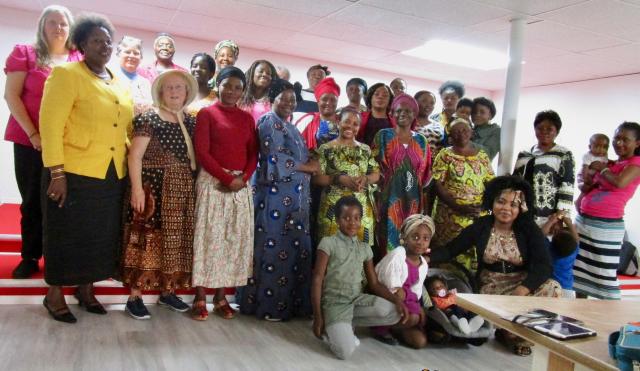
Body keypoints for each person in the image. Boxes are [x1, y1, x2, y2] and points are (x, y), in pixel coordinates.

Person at [39, 14, 134, 323]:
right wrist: (57, 173)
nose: (104, 46)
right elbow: (50, 126)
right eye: (97, 40)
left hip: (110, 174)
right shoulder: (66, 74)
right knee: (65, 233)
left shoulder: (118, 81)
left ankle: (85, 289)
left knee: (98, 236)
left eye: (108, 41)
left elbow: (124, 128)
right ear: (81, 45)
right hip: (73, 172)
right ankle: (54, 295)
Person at [430, 175, 562, 356]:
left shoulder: (528, 228)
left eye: (513, 205)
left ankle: (518, 335)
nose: (506, 208)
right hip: (490, 286)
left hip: (521, 285)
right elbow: (451, 249)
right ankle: (506, 330)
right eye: (501, 202)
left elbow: (544, 266)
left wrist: (523, 289)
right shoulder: (482, 226)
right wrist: (426, 257)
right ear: (491, 201)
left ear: (520, 208)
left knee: (553, 288)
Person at [3, 5, 81, 279]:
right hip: (30, 141)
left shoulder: (78, 58)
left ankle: (57, 256)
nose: (59, 28)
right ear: (42, 27)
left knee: (62, 202)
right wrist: (34, 135)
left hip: (67, 144)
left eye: (63, 23)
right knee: (32, 200)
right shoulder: (25, 53)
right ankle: (30, 256)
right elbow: (12, 96)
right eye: (52, 23)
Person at [120, 69, 198, 319]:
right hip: (153, 189)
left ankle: (167, 291)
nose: (174, 91)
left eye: (179, 87)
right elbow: (134, 157)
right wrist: (136, 189)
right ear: (161, 92)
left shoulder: (191, 121)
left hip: (182, 190)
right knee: (144, 241)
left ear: (187, 92)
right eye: (169, 87)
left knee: (175, 242)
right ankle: (135, 296)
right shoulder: (149, 119)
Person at [239, 79, 319, 321]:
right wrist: (309, 167)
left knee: (292, 250)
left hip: (295, 200)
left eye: (293, 99)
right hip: (275, 200)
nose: (288, 103)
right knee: (274, 250)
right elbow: (273, 160)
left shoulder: (289, 125)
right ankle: (270, 307)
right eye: (283, 98)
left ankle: (291, 306)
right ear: (272, 99)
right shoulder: (268, 122)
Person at [192, 66, 258, 320]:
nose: (232, 91)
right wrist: (226, 178)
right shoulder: (207, 114)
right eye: (227, 85)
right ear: (217, 85)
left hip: (240, 185)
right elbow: (202, 152)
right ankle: (200, 297)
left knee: (232, 240)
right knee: (208, 239)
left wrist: (242, 178)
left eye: (238, 87)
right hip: (213, 181)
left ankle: (221, 298)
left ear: (243, 91)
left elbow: (254, 153)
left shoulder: (247, 118)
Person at [311, 196, 409, 360]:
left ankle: (346, 325)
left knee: (394, 311)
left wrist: (398, 301)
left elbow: (374, 283)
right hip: (335, 302)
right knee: (345, 352)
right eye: (346, 218)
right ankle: (332, 325)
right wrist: (318, 317)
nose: (352, 223)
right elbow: (317, 279)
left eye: (356, 218)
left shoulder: (364, 248)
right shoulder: (328, 243)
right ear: (337, 220)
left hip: (356, 300)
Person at [573, 122, 640, 300]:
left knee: (604, 275)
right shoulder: (611, 163)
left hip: (606, 227)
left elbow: (620, 183)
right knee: (580, 270)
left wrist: (601, 169)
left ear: (637, 143)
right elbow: (588, 184)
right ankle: (579, 311)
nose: (619, 143)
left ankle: (611, 321)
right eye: (617, 138)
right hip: (584, 220)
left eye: (625, 139)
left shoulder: (635, 163)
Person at [431, 118, 494, 272]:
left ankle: (471, 288)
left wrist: (486, 204)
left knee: (475, 254)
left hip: (478, 214)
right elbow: (437, 184)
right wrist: (458, 206)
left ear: (471, 132)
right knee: (450, 255)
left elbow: (491, 182)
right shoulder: (445, 155)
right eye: (456, 131)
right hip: (450, 215)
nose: (461, 134)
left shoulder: (482, 156)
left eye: (465, 130)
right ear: (451, 136)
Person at [373, 94, 431, 256]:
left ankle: (408, 278)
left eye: (408, 111)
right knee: (387, 242)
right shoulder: (383, 136)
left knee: (412, 239)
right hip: (388, 198)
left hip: (413, 200)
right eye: (398, 111)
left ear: (414, 115)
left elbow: (426, 173)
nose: (402, 114)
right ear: (392, 113)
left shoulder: (421, 141)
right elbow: (373, 168)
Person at [313, 108, 380, 246]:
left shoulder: (365, 149)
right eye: (347, 121)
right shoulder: (325, 148)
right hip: (333, 211)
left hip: (361, 210)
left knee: (360, 253)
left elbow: (376, 174)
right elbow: (316, 178)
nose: (350, 126)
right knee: (331, 252)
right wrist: (337, 178)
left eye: (355, 124)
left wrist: (366, 179)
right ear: (338, 122)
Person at [374, 214, 433, 348]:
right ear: (405, 237)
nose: (420, 242)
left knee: (420, 342)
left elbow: (416, 294)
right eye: (415, 237)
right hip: (387, 300)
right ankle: (380, 328)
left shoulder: (423, 263)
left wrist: (416, 304)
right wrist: (412, 302)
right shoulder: (398, 255)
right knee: (414, 316)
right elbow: (393, 290)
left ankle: (397, 329)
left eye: (425, 238)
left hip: (405, 302)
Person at [513, 110, 575, 228]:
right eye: (540, 128)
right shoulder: (524, 153)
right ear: (535, 129)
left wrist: (560, 218)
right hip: (522, 211)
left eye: (549, 129)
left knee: (543, 244)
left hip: (548, 217)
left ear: (556, 131)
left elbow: (567, 188)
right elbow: (515, 181)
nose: (544, 132)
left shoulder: (563, 154)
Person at [295, 77, 340, 150]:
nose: (328, 103)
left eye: (333, 100)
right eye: (324, 99)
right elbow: (295, 147)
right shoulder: (307, 120)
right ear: (318, 100)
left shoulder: (343, 121)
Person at [541, 212, 579, 298]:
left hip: (551, 289)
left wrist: (550, 221)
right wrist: (569, 223)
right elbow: (576, 240)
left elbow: (541, 235)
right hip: (568, 290)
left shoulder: (548, 250)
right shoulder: (572, 252)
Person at [113, 36, 153, 116]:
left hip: (141, 126)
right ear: (119, 54)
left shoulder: (145, 83)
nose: (131, 56)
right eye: (127, 52)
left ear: (140, 58)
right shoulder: (111, 78)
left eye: (136, 53)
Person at [356, 82, 394, 147]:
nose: (380, 97)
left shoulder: (395, 122)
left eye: (385, 95)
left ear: (389, 101)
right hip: (362, 155)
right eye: (376, 94)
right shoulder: (359, 117)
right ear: (370, 98)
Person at [471, 97, 500, 161]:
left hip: (480, 169)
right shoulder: (469, 128)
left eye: (482, 112)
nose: (477, 114)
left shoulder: (496, 130)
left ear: (490, 115)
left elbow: (488, 154)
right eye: (474, 112)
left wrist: (465, 142)